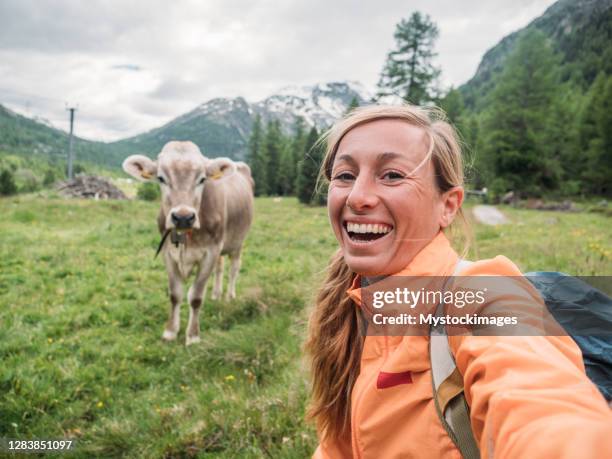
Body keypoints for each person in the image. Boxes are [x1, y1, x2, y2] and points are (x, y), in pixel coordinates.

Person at [305, 104, 612, 458]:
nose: (357, 197)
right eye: (344, 175)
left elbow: (543, 408)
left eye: (391, 175)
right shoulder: (352, 308)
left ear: (447, 206)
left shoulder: (483, 297)